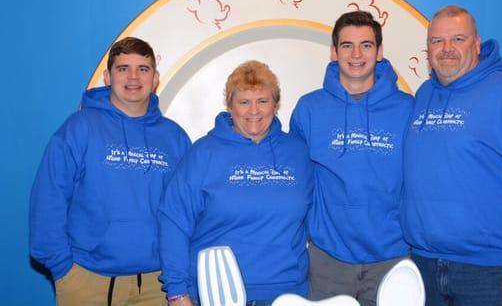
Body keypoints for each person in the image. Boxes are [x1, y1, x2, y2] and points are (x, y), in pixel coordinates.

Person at [401, 5, 502, 306]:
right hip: (424, 267)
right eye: (437, 41)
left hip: (493, 273)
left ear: (477, 44)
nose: (447, 49)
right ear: (427, 49)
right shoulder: (423, 95)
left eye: (458, 39)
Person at [30, 37, 191, 306]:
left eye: (143, 68)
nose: (133, 77)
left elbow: (186, 210)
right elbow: (49, 198)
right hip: (86, 282)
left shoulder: (174, 138)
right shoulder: (78, 129)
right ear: (107, 77)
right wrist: (63, 270)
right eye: (122, 68)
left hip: (156, 284)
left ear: (155, 78)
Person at [159, 60, 314, 306]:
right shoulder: (204, 153)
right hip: (216, 293)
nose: (254, 111)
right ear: (230, 106)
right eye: (244, 102)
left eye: (263, 101)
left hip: (288, 294)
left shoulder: (298, 153)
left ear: (276, 104)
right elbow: (174, 221)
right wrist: (177, 292)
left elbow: (317, 215)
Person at [290, 11, 413, 306]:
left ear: (380, 52)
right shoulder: (309, 109)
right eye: (347, 45)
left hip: (392, 257)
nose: (356, 54)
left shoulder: (407, 108)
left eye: (366, 45)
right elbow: (296, 182)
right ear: (333, 52)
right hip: (328, 259)